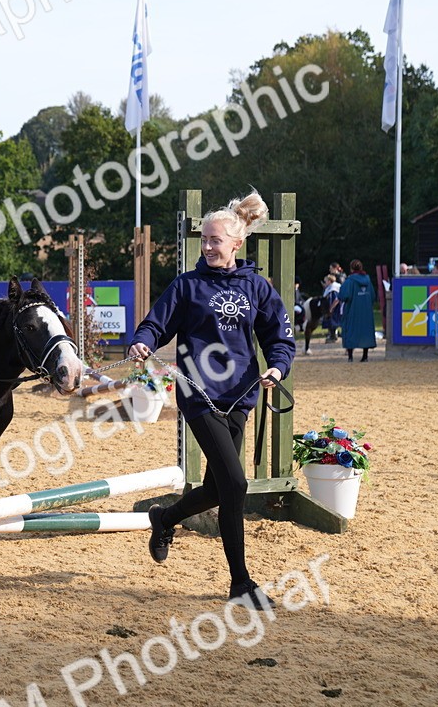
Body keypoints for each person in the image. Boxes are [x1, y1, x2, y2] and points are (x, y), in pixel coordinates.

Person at [127, 189, 295, 609]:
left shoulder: (257, 287)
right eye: (203, 240)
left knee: (218, 489)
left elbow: (280, 338)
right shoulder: (187, 285)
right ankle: (241, 583)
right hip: (198, 394)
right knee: (236, 484)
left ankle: (164, 518)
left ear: (237, 243)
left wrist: (276, 367)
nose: (207, 246)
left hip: (240, 395)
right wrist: (142, 342)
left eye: (215, 240)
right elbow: (155, 323)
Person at [339, 259, 377, 362]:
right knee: (366, 331)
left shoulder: (350, 281)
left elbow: (343, 295)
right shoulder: (368, 281)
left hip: (352, 311)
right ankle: (365, 356)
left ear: (351, 269)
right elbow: (373, 296)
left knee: (350, 330)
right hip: (366, 312)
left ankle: (350, 357)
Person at [321, 274, 342, 342]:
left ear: (330, 281)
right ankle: (333, 335)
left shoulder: (333, 288)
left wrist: (331, 308)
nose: (325, 283)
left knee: (332, 322)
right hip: (336, 307)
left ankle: (333, 336)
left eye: (326, 281)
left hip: (336, 308)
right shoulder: (334, 286)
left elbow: (336, 299)